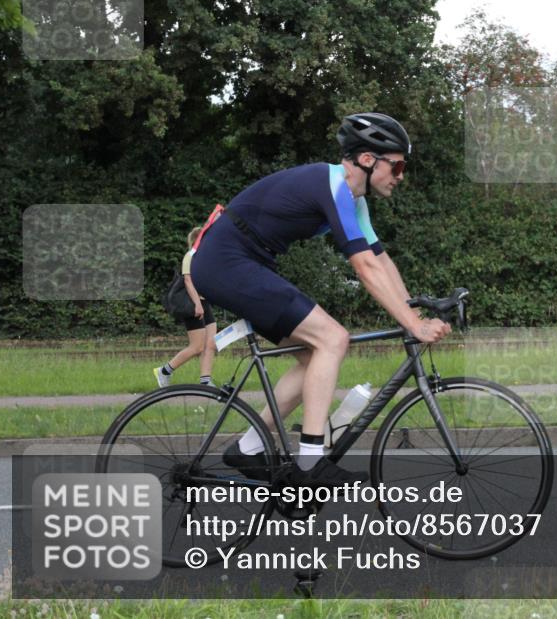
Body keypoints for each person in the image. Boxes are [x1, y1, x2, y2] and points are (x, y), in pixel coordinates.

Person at [190, 113, 450, 486]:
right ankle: (311, 461)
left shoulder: (353, 199)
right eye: (397, 165)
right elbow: (363, 267)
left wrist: (412, 311)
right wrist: (413, 326)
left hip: (239, 263)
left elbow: (379, 258)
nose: (401, 175)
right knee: (333, 338)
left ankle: (247, 448)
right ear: (367, 159)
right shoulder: (333, 185)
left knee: (316, 354)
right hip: (226, 262)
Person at [154, 227, 218, 388]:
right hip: (192, 304)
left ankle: (205, 380)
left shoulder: (205, 258)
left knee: (211, 343)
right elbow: (188, 281)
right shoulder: (189, 256)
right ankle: (164, 371)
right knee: (197, 347)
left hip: (204, 303)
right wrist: (197, 304)